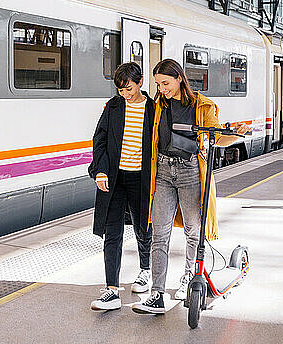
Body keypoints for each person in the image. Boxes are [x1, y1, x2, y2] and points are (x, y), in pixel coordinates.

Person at [132, 59, 248, 314]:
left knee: (194, 233)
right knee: (159, 235)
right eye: (158, 84)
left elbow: (217, 135)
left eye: (166, 83)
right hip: (162, 172)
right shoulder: (160, 105)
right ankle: (157, 294)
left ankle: (188, 278)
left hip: (190, 173)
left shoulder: (201, 105)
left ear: (179, 79)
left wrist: (237, 132)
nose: (162, 89)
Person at [88, 62, 155, 311]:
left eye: (128, 89)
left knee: (142, 226)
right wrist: (100, 170)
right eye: (120, 90)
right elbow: (100, 139)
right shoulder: (114, 106)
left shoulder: (153, 108)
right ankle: (112, 290)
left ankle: (145, 271)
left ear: (140, 83)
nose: (125, 94)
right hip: (115, 178)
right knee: (112, 231)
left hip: (141, 178)